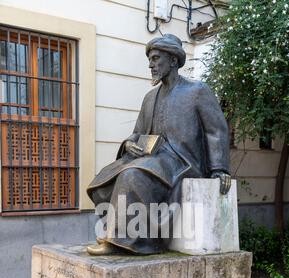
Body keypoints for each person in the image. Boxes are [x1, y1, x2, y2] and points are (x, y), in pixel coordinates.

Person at [87, 34, 231, 255]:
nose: (151, 65)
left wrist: (219, 168)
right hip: (153, 159)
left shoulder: (197, 91)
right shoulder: (149, 98)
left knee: (132, 175)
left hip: (183, 162)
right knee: (106, 177)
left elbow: (216, 130)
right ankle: (123, 234)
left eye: (155, 59)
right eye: (150, 60)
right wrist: (129, 145)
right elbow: (137, 133)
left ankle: (128, 240)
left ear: (173, 60)